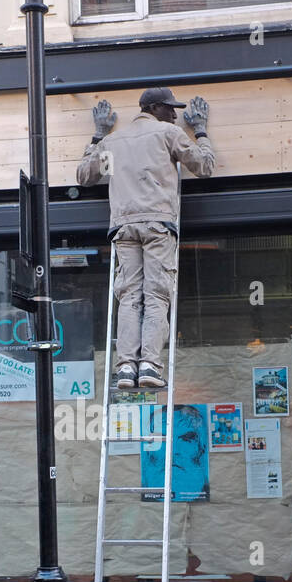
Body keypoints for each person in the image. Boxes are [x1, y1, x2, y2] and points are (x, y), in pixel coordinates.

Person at [76, 87, 216, 390]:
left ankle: (125, 366)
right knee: (156, 295)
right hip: (157, 224)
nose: (176, 114)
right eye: (170, 108)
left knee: (128, 296)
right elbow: (204, 166)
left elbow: (84, 176)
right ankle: (150, 365)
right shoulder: (168, 133)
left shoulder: (113, 141)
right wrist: (201, 131)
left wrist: (98, 136)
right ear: (154, 107)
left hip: (124, 227)